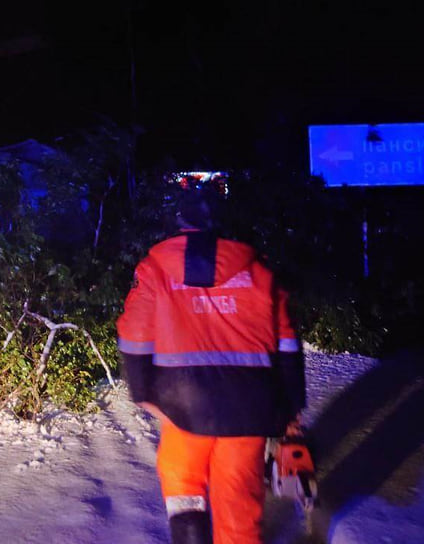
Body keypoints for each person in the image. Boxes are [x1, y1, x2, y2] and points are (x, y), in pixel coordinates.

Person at [116, 176, 304, 544]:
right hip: (249, 408)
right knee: (238, 503)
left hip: (183, 406)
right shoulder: (259, 271)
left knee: (183, 485)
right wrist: (291, 406)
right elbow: (287, 341)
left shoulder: (154, 269)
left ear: (179, 223)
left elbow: (134, 335)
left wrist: (141, 390)